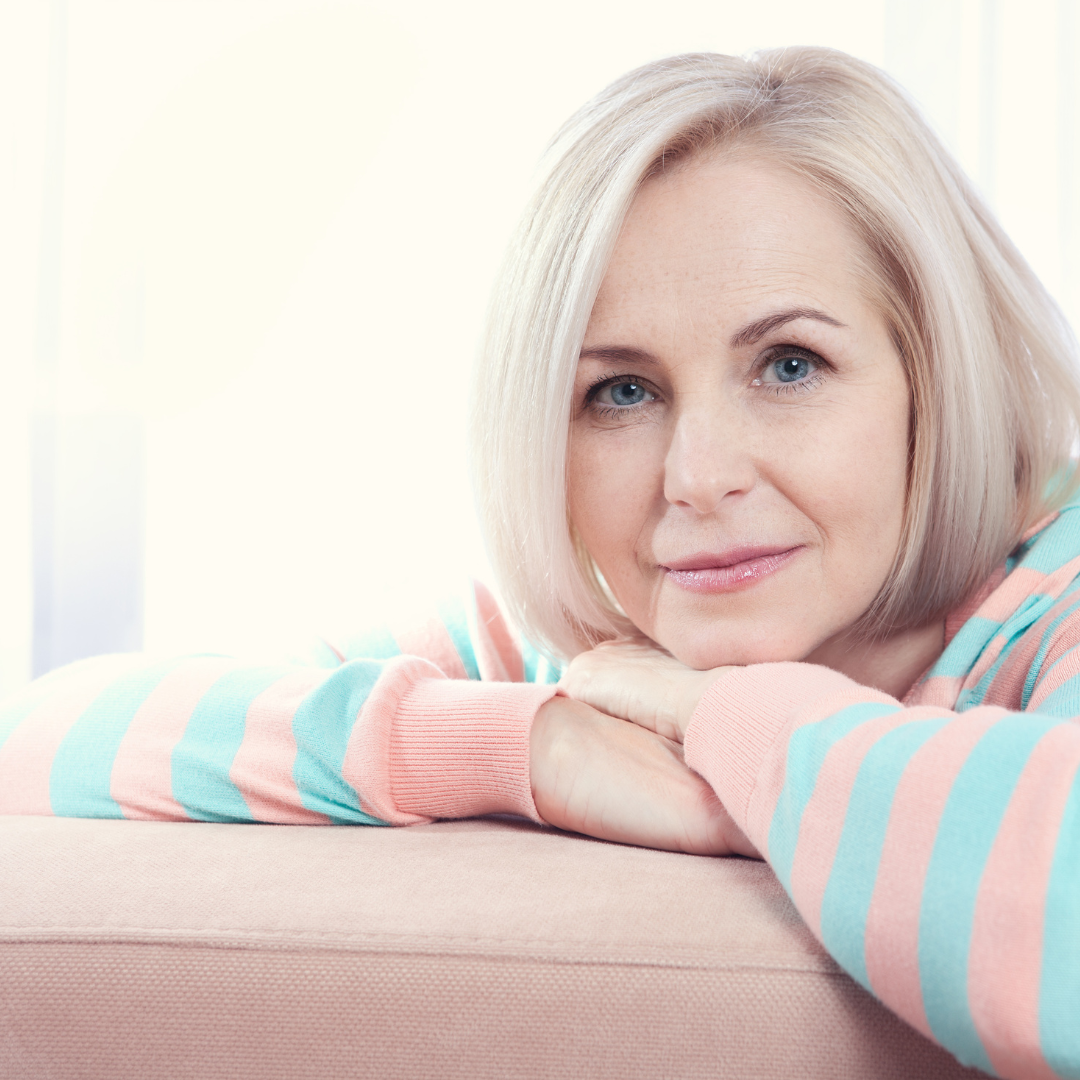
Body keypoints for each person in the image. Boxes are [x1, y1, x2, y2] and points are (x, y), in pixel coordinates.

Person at [1, 46, 1078, 1079]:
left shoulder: (1057, 587)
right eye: (620, 392)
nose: (696, 478)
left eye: (789, 365)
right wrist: (533, 748)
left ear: (935, 380)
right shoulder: (567, 648)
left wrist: (727, 721)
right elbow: (43, 738)